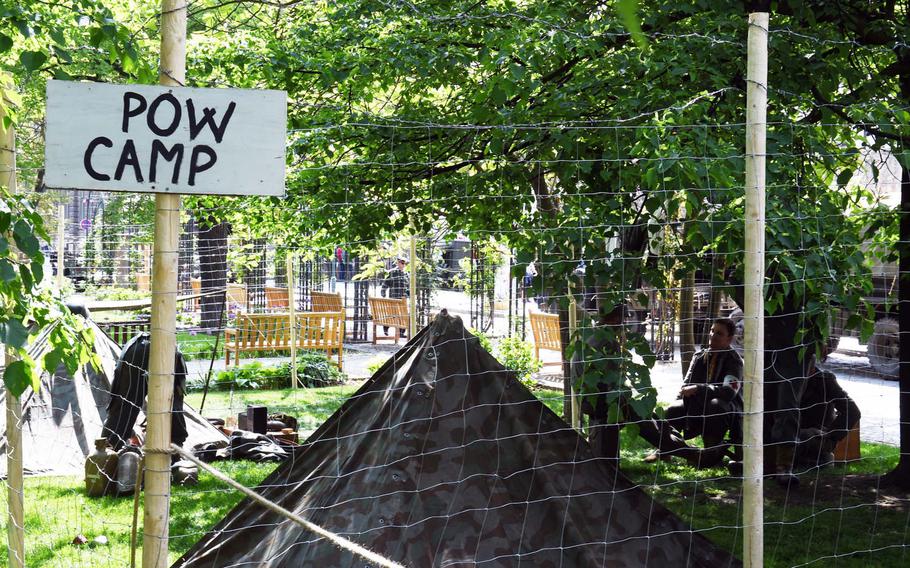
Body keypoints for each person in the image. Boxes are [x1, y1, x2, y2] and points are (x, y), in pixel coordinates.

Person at [650, 317, 744, 467]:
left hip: (727, 408)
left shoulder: (734, 361)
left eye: (719, 333)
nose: (713, 335)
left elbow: (728, 393)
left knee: (715, 405)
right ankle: (666, 449)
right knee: (672, 409)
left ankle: (710, 455)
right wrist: (680, 399)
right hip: (698, 405)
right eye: (712, 331)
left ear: (729, 339)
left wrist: (699, 389)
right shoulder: (699, 356)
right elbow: (685, 387)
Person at [795, 352, 861, 467]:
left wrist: (830, 435)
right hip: (791, 434)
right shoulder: (786, 381)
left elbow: (852, 411)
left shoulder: (825, 380)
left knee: (804, 436)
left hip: (814, 436)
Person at [380, 256, 409, 336]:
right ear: (398, 263)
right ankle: (386, 328)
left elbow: (408, 287)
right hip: (393, 298)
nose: (403, 265)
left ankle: (401, 332)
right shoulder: (392, 272)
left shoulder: (406, 274)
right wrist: (383, 292)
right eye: (402, 263)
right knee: (392, 314)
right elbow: (385, 283)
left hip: (402, 299)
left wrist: (408, 295)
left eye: (404, 263)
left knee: (403, 315)